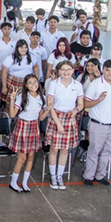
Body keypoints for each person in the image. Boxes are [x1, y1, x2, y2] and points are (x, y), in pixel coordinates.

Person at [82, 60, 111, 187]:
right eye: (107, 70)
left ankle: (100, 175)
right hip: (98, 124)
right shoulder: (96, 84)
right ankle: (89, 176)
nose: (110, 73)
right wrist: (98, 100)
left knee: (107, 151)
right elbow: (85, 104)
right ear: (103, 70)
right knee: (94, 151)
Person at [45, 60, 83, 190]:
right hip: (56, 116)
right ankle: (53, 175)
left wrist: (76, 110)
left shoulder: (77, 85)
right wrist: (58, 124)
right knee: (54, 149)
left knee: (65, 150)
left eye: (69, 69)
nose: (66, 72)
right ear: (59, 71)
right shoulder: (54, 84)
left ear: (73, 70)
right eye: (63, 69)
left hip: (69, 117)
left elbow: (81, 104)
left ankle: (60, 175)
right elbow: (50, 105)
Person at [7, 74, 49, 193]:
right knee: (22, 157)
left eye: (34, 82)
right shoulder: (22, 96)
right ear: (26, 85)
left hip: (34, 126)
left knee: (31, 156)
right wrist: (12, 99)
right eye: (29, 83)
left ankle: (25, 182)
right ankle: (13, 182)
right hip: (23, 126)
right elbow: (12, 114)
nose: (33, 85)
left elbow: (41, 118)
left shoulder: (42, 98)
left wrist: (49, 108)